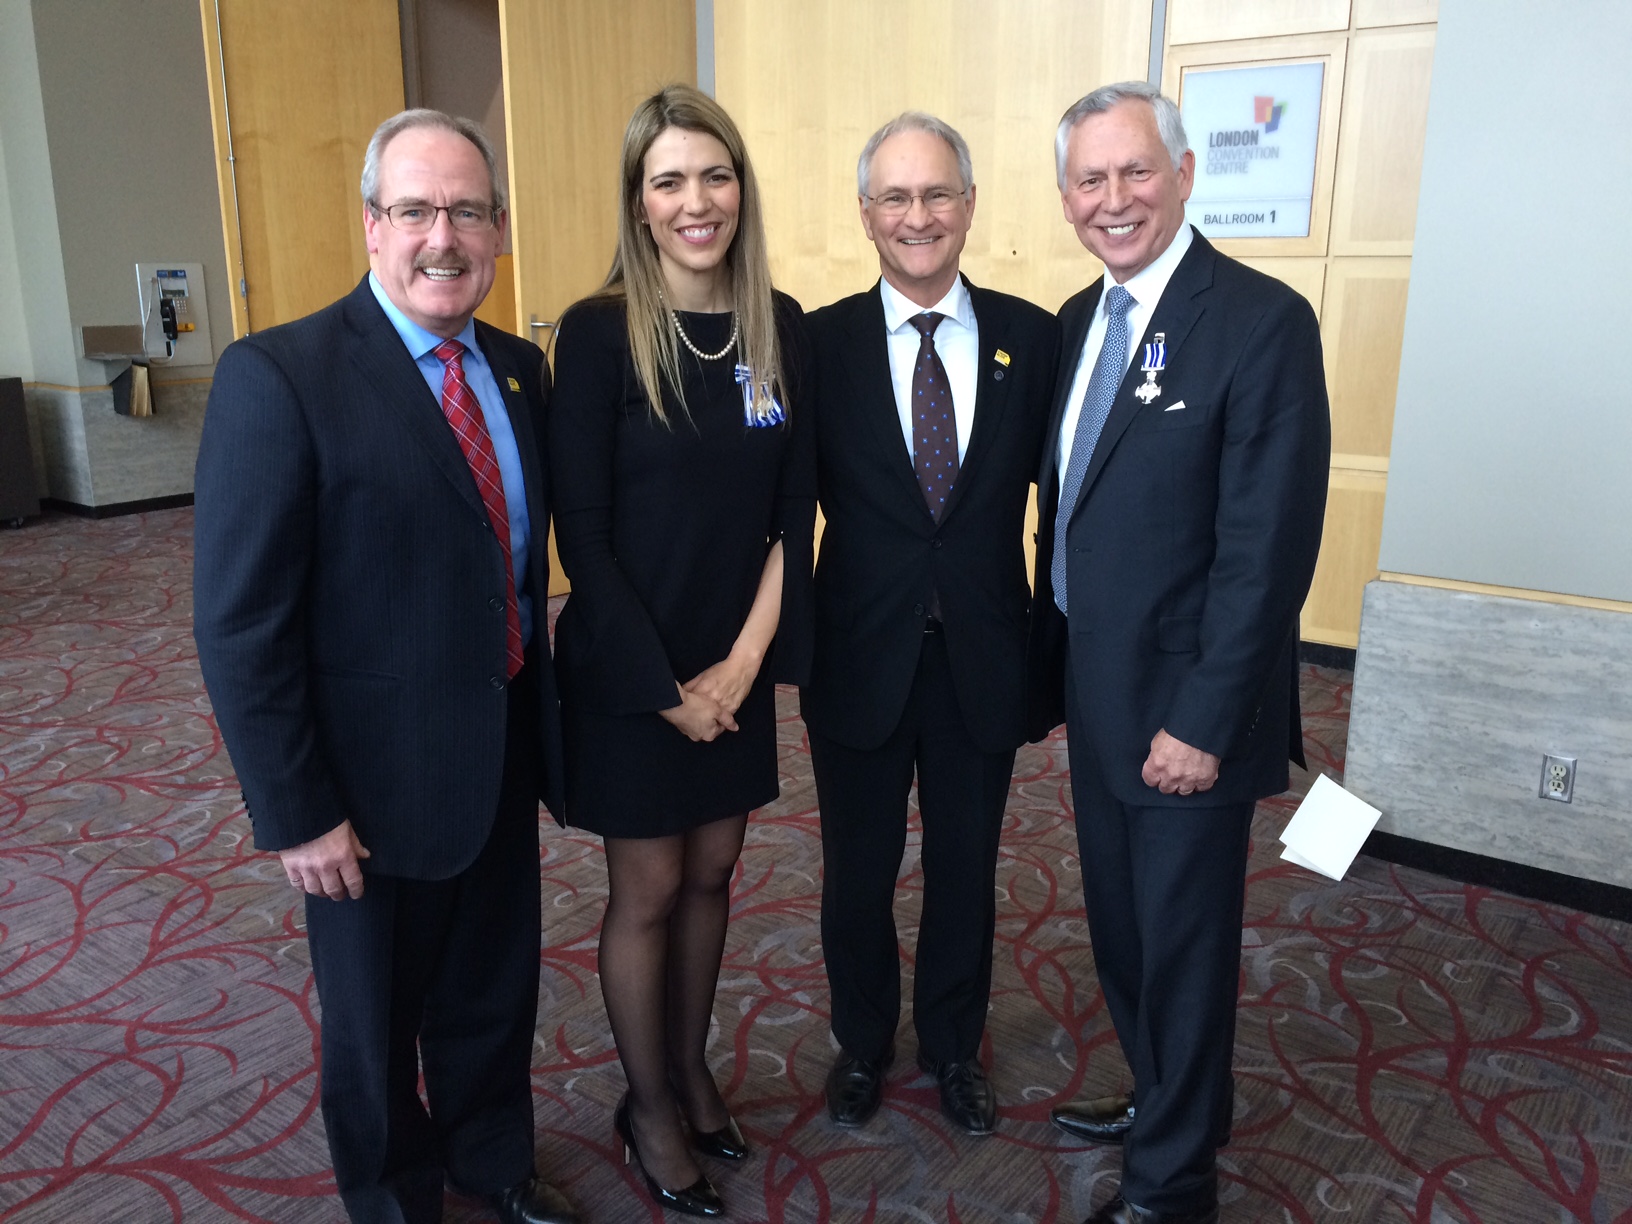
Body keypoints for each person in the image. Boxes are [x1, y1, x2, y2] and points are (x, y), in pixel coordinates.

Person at [192, 111, 577, 1224]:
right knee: (372, 1020)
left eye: (465, 210)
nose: (441, 236)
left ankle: (492, 1163)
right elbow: (239, 622)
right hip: (359, 786)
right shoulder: (282, 376)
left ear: (498, 229)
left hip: (500, 741)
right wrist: (296, 809)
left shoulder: (516, 370)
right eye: (415, 210)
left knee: (493, 987)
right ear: (373, 226)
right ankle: (393, 1196)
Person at [1027, 82, 1331, 1224]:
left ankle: (1173, 1185)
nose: (1114, 200)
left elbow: (1266, 552)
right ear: (1066, 197)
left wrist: (1205, 721)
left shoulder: (1260, 321)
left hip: (1189, 712)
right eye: (1089, 181)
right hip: (1098, 696)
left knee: (1188, 950)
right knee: (1122, 928)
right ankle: (1164, 1100)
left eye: (1135, 172)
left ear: (1187, 172)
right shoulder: (1075, 321)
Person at [547, 84, 814, 1219]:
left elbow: (791, 520)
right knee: (649, 887)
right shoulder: (599, 331)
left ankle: (695, 1064)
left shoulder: (778, 323)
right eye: (670, 181)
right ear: (639, 202)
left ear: (741, 188)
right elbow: (584, 538)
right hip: (630, 669)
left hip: (732, 664)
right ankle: (648, 1100)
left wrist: (745, 667)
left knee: (715, 874)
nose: (696, 201)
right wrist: (666, 692)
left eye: (714, 175)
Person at [801, 113, 1059, 1137]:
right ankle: (862, 1041)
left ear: (969, 205)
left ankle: (954, 1045)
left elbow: (1067, 496)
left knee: (966, 867)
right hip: (858, 653)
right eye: (897, 199)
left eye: (937, 194)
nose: (919, 217)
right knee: (855, 872)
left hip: (983, 656)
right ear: (867, 214)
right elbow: (781, 507)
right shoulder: (815, 344)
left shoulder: (1033, 339)